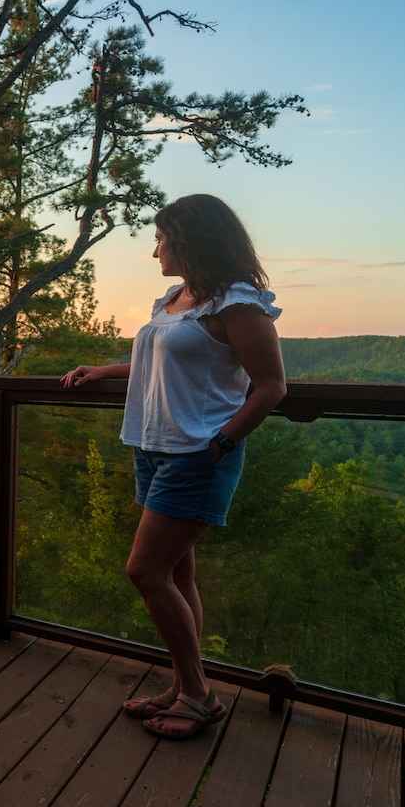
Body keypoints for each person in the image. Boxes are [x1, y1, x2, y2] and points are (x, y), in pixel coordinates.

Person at [60, 194, 286, 740]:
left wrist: (223, 444)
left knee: (145, 571)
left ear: (189, 240)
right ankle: (187, 682)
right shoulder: (176, 299)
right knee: (176, 573)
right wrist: (104, 371)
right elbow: (159, 361)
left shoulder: (236, 301)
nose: (154, 247)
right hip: (153, 447)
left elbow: (272, 385)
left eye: (161, 237)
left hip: (196, 455)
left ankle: (200, 698)